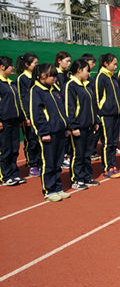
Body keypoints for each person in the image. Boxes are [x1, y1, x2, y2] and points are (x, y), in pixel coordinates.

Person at [30, 63, 70, 202]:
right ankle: (49, 190)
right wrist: (43, 131)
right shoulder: (36, 91)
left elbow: (62, 110)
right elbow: (37, 113)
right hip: (48, 133)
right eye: (52, 75)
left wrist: (66, 127)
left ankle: (58, 187)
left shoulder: (55, 89)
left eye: (55, 75)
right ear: (42, 75)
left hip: (59, 130)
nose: (54, 78)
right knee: (48, 162)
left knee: (58, 161)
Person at [65, 58, 100, 189]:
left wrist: (95, 120)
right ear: (79, 70)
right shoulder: (71, 86)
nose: (88, 74)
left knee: (87, 153)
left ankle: (87, 176)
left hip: (89, 125)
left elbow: (92, 104)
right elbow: (69, 108)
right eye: (87, 70)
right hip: (79, 126)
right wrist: (73, 126)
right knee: (78, 154)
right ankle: (77, 179)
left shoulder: (86, 84)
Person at [95, 53, 120, 179]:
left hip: (115, 114)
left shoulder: (113, 78)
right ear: (106, 64)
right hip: (105, 115)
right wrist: (98, 116)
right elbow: (97, 98)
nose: (115, 66)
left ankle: (112, 165)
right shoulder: (101, 77)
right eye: (113, 64)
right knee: (107, 142)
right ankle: (107, 168)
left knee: (114, 142)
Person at [0, 56, 27, 186]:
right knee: (5, 150)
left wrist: (21, 117)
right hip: (4, 122)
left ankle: (14, 174)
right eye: (10, 65)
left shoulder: (11, 83)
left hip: (15, 121)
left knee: (14, 149)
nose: (13, 68)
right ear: (2, 67)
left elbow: (18, 102)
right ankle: (6, 176)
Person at [16, 52, 41, 177]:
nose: (37, 65)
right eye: (35, 63)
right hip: (28, 116)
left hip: (37, 115)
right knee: (30, 141)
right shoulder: (22, 78)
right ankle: (32, 164)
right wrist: (25, 116)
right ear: (27, 64)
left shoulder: (36, 77)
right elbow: (21, 98)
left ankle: (39, 162)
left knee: (38, 140)